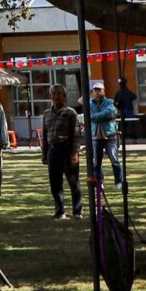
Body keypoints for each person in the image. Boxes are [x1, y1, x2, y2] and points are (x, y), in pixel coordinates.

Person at [38, 85, 81, 219]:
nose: (57, 96)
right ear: (51, 96)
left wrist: (75, 153)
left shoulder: (71, 113)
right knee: (55, 184)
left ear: (64, 95)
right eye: (54, 93)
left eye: (59, 94)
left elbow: (77, 135)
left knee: (73, 182)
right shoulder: (46, 114)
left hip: (67, 150)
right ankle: (60, 210)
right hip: (53, 151)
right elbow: (45, 136)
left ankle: (77, 211)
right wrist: (44, 154)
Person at [87, 81, 124, 185]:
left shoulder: (110, 102)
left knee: (114, 160)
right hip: (96, 136)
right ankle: (99, 181)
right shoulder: (90, 104)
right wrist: (104, 117)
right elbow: (93, 114)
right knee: (97, 162)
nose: (98, 92)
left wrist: (94, 118)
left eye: (99, 90)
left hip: (109, 136)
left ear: (104, 90)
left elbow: (108, 112)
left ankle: (118, 181)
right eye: (95, 90)